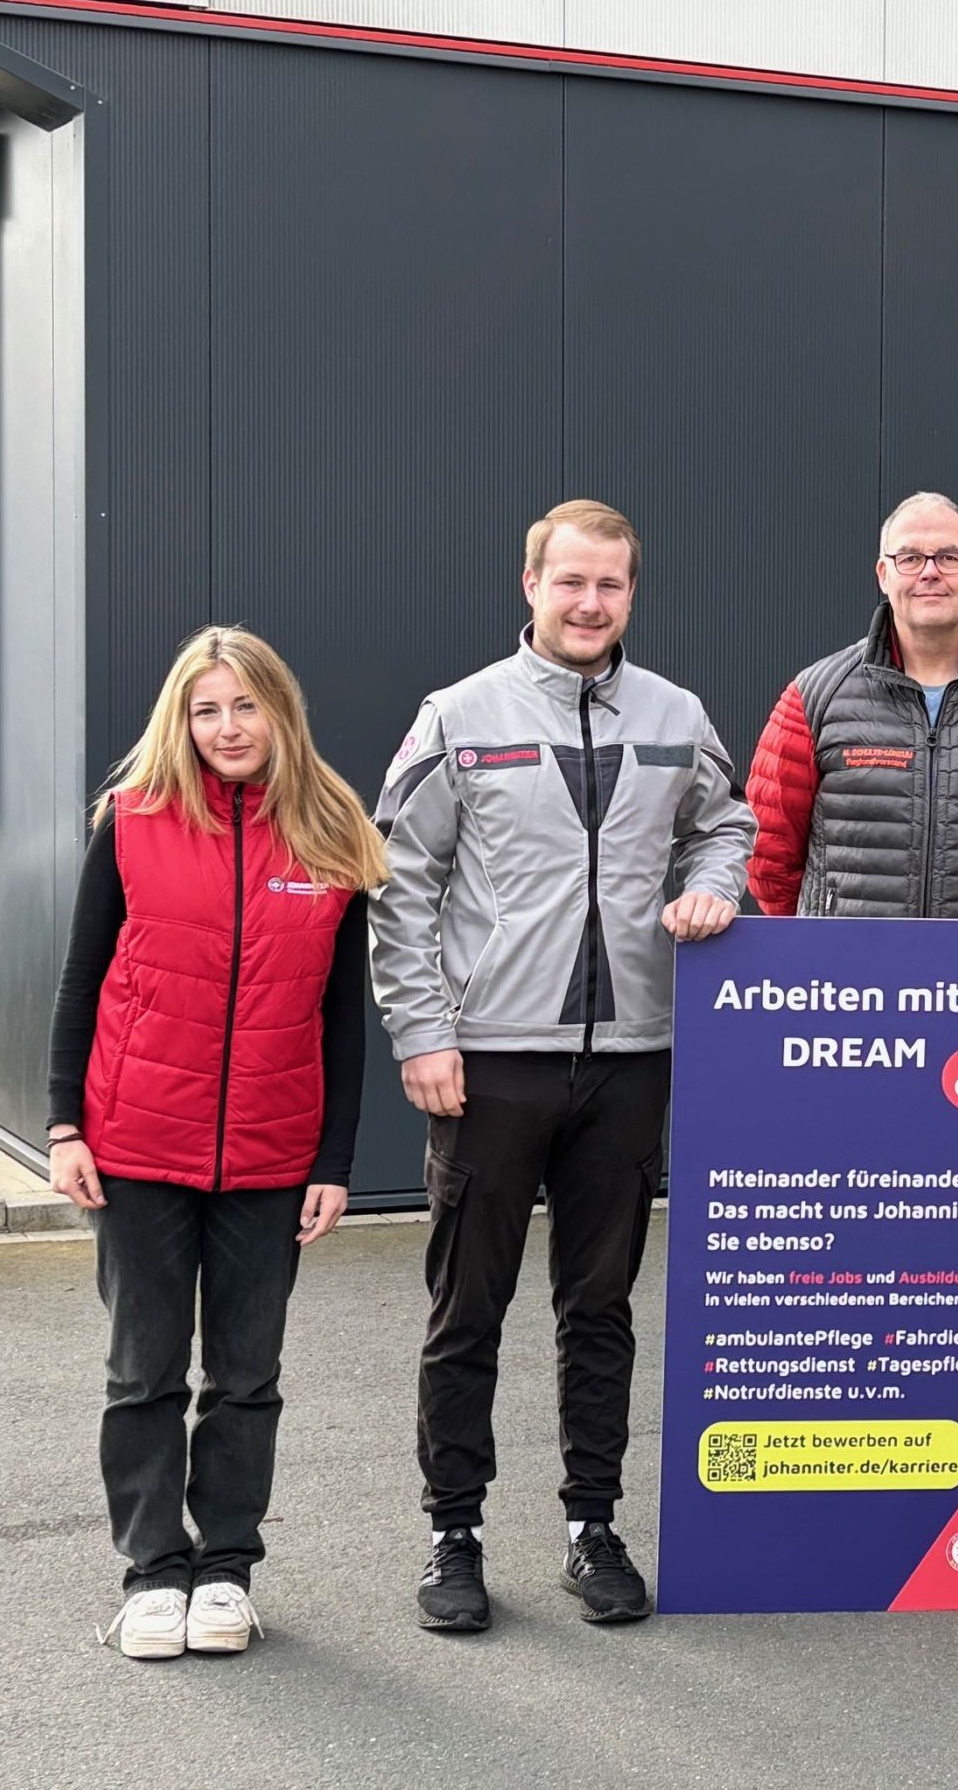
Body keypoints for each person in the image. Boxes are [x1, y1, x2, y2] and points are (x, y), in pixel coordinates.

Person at [371, 497, 753, 1633]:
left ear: (632, 593)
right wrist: (423, 1031)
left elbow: (725, 824)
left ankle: (595, 1527)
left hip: (632, 1062)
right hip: (489, 1062)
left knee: (600, 1310)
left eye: (612, 586)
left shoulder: (676, 714)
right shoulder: (461, 714)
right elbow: (400, 881)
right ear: (530, 584)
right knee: (466, 1311)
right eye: (571, 582)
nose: (591, 604)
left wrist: (715, 885)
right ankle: (454, 1535)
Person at [46, 625, 384, 1661]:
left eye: (244, 706)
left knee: (246, 1373)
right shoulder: (133, 820)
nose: (226, 728)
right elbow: (83, 976)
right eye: (206, 709)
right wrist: (65, 1123)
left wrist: (335, 1161)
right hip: (137, 1141)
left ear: (279, 711)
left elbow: (340, 1015)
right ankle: (153, 1569)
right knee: (144, 1368)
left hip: (272, 1160)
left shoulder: (329, 830)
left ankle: (226, 1567)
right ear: (179, 720)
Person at [745, 491, 958, 918]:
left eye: (949, 557)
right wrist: (822, 942)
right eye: (909, 558)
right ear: (883, 574)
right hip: (849, 977)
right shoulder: (814, 696)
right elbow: (767, 852)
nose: (930, 572)